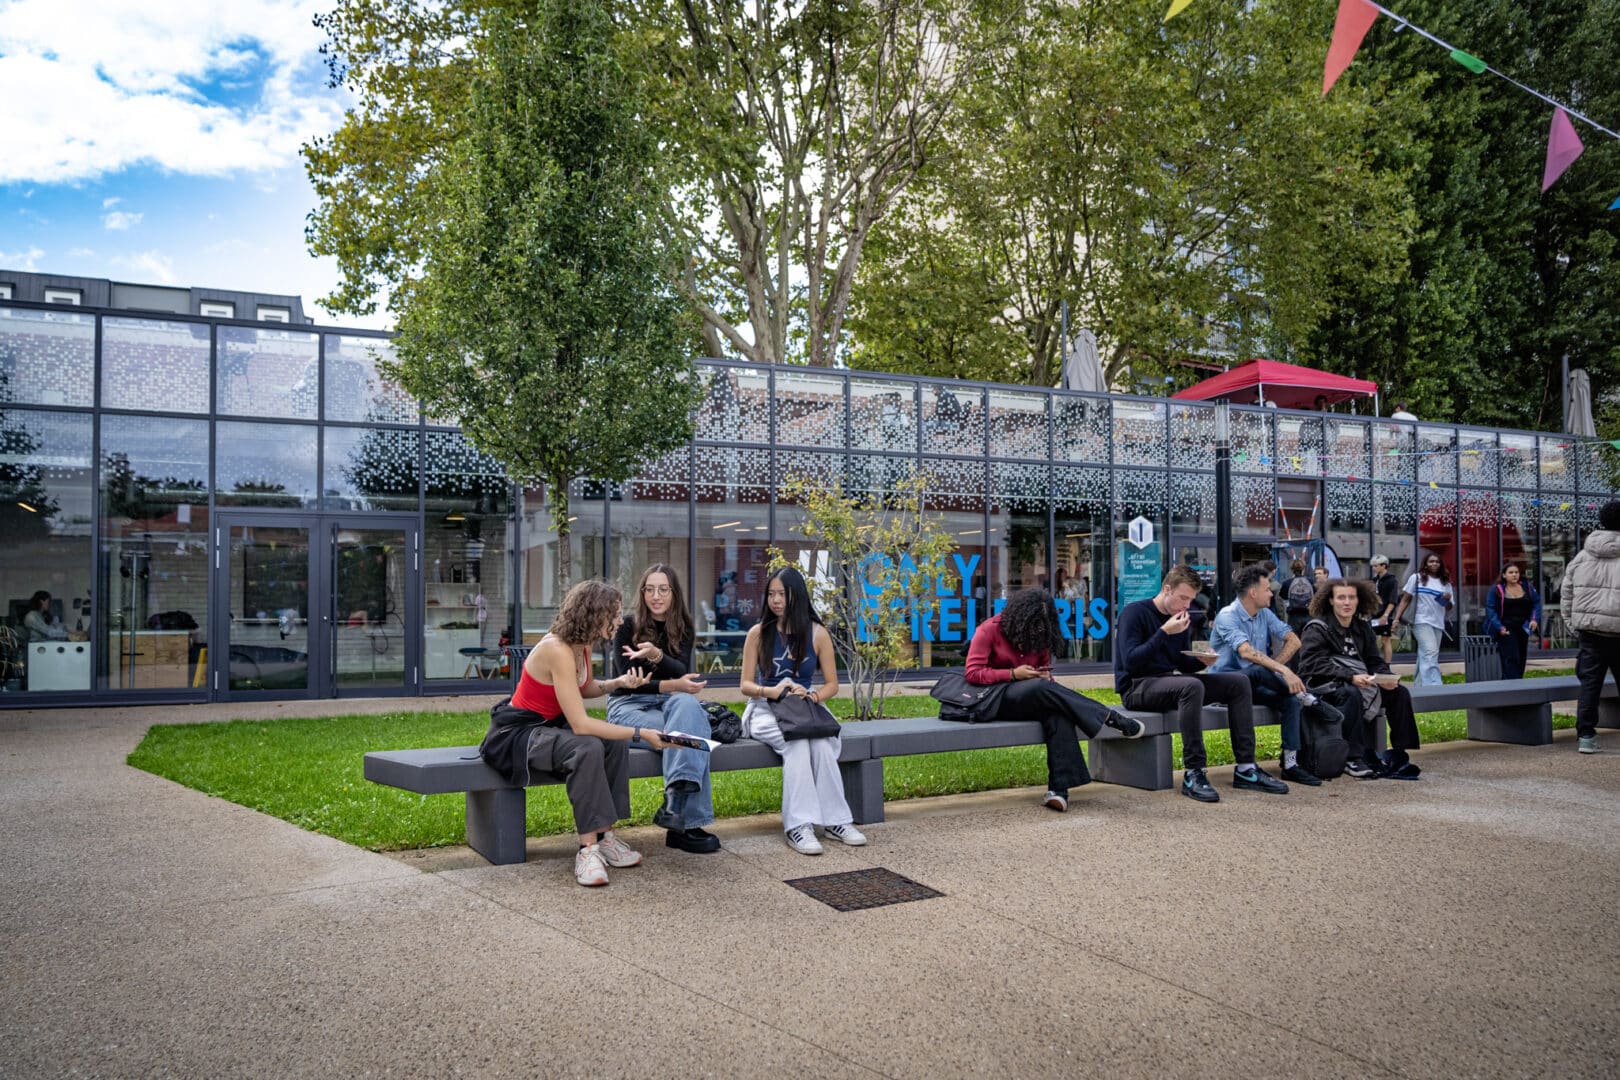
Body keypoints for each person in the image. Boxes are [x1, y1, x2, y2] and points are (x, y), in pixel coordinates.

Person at [478, 580, 663, 887]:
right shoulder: (558, 649)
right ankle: (587, 849)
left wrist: (616, 683)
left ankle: (606, 837)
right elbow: (580, 726)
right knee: (587, 746)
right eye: (614, 615)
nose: (619, 622)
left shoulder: (582, 646)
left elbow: (582, 688)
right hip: (518, 734)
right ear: (594, 614)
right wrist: (641, 732)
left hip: (549, 726)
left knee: (612, 744)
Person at [1114, 565, 1289, 802]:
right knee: (1191, 686)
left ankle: (1247, 768)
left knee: (1238, 682)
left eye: (1191, 600)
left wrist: (1201, 661)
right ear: (1167, 589)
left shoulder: (1179, 618)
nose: (1186, 605)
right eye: (1183, 598)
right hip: (1136, 687)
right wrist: (1164, 632)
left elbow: (1178, 663)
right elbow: (1131, 662)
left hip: (1167, 682)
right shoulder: (1134, 613)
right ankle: (1194, 771)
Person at [964, 588, 1145, 813]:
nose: (1037, 628)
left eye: (1042, 621)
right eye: (1033, 622)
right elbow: (972, 673)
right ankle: (1108, 716)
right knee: (1044, 690)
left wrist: (1043, 675)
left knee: (1058, 712)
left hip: (1033, 695)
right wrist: (1013, 674)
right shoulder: (988, 630)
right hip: (995, 698)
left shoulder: (1041, 633)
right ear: (1018, 616)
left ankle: (1059, 790)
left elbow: (1044, 673)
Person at [739, 567, 866, 854]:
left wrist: (812, 694)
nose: (776, 600)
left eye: (782, 594)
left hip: (805, 706)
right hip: (765, 707)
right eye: (771, 594)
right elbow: (745, 685)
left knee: (820, 742)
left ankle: (836, 821)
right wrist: (768, 691)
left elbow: (832, 684)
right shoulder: (758, 634)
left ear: (797, 596)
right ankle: (799, 825)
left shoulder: (817, 633)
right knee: (795, 742)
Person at [606, 564, 720, 854]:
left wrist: (656, 655)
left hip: (669, 705)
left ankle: (675, 804)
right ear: (642, 592)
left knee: (686, 707)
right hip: (627, 706)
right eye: (650, 589)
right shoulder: (627, 627)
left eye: (663, 589)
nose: (656, 596)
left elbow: (682, 669)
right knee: (691, 734)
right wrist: (672, 684)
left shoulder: (684, 626)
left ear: (673, 593)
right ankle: (685, 823)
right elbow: (630, 683)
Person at [1209, 564, 1332, 786]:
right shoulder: (1227, 616)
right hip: (1225, 686)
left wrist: (1274, 666)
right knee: (1258, 669)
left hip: (1254, 683)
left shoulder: (1264, 613)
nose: (1272, 593)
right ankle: (1309, 697)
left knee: (1289, 701)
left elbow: (1294, 640)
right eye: (1267, 589)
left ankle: (1291, 764)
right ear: (1253, 593)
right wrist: (1282, 670)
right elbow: (1246, 652)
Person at [1295, 578, 1423, 779]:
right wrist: (1350, 676)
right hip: (1324, 686)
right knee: (1351, 693)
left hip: (1360, 681)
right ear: (1330, 601)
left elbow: (1374, 660)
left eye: (1351, 597)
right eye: (1341, 597)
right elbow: (1310, 664)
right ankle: (1353, 757)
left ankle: (1399, 752)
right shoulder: (1318, 627)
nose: (1347, 602)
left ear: (1358, 600)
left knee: (1399, 693)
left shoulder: (1362, 628)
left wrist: (1386, 677)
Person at [1563, 498, 1620, 754]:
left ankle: (1586, 736)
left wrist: (1574, 625)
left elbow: (1567, 594)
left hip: (1590, 631)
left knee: (1590, 685)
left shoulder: (1582, 556)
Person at [1393, 552, 1453, 686]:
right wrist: (1396, 619)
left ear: (1441, 564)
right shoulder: (1416, 578)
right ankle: (1434, 685)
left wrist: (1447, 600)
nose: (1434, 564)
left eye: (1437, 562)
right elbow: (1405, 599)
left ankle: (1419, 686)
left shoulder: (1445, 583)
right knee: (1430, 651)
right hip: (1420, 621)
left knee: (1425, 654)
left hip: (1438, 622)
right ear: (1425, 564)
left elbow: (1448, 607)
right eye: (1431, 561)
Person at [1483, 562, 1542, 680]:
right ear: (1504, 575)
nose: (1514, 575)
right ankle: (1512, 686)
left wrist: (1534, 619)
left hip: (1523, 627)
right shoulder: (1496, 589)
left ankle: (1515, 683)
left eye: (1516, 572)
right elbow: (1490, 609)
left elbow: (1536, 603)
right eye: (1511, 572)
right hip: (1506, 628)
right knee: (1511, 657)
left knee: (1521, 657)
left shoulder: (1527, 587)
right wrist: (1499, 627)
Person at [1368, 555, 1399, 665]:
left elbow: (1393, 600)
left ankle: (1387, 664)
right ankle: (1374, 662)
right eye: (1373, 566)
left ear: (1384, 566)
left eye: (1376, 566)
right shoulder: (1375, 580)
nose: (1374, 568)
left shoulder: (1392, 580)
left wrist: (1385, 615)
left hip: (1385, 614)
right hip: (1374, 613)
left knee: (1385, 639)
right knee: (1371, 639)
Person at [1283, 559, 1314, 636]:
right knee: (1309, 640)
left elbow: (1283, 596)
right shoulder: (1311, 581)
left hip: (1293, 616)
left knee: (1295, 641)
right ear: (1303, 568)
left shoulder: (1287, 582)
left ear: (1292, 569)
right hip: (1308, 615)